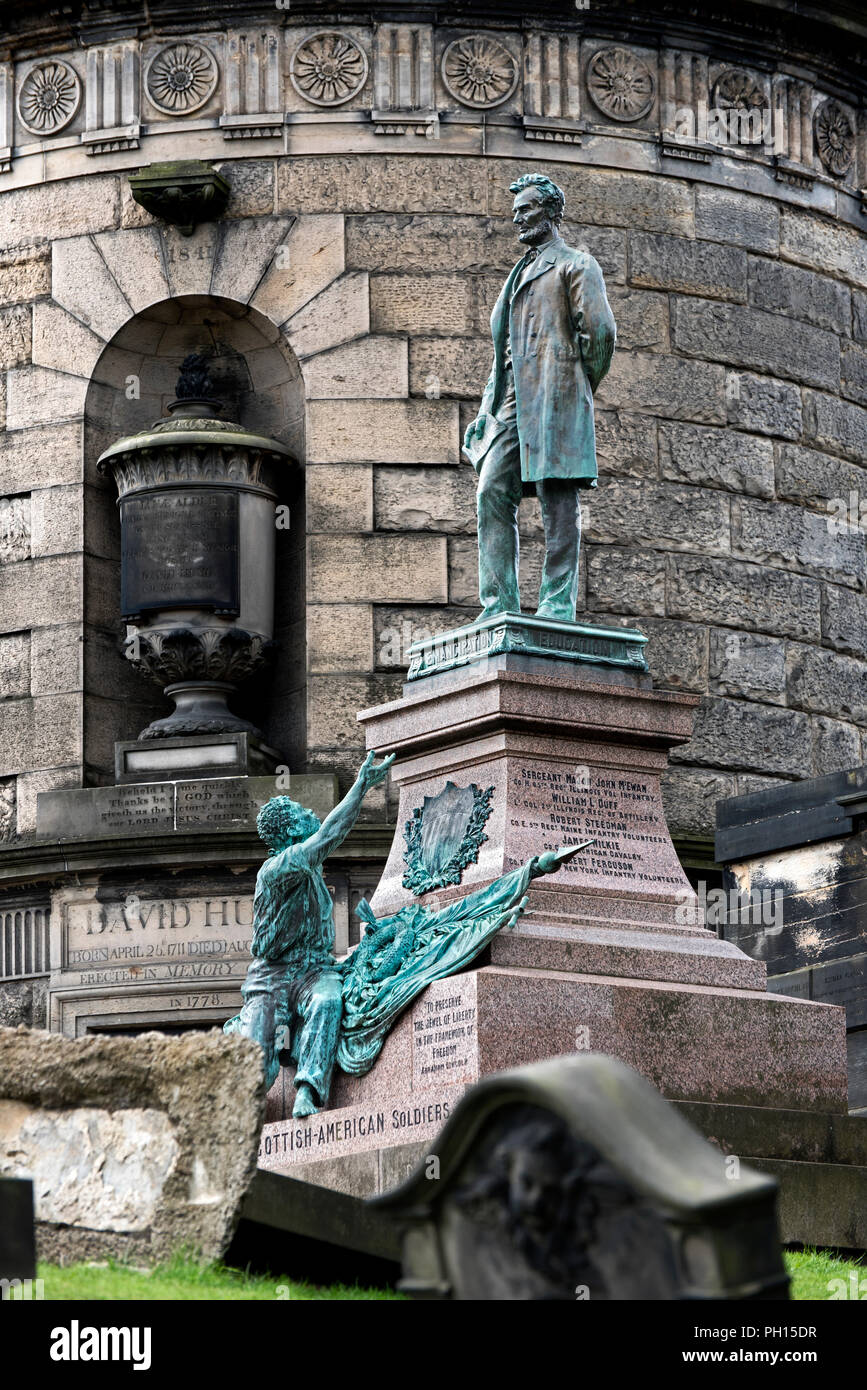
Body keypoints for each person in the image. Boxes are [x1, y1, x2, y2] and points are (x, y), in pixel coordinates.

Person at [463, 172, 616, 622]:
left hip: (557, 397)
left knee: (557, 496)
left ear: (552, 212)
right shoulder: (518, 272)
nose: (519, 219)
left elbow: (601, 335)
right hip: (510, 404)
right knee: (492, 488)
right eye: (516, 212)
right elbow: (503, 350)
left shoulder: (575, 264)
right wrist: (487, 407)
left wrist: (575, 387)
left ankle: (555, 604)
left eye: (527, 209)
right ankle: (497, 605)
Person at [225, 749, 394, 1117]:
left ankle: (308, 1090)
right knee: (258, 1067)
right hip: (272, 979)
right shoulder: (279, 867)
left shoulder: (312, 872)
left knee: (328, 1001)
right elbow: (330, 834)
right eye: (303, 813)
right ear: (289, 831)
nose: (311, 814)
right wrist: (361, 785)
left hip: (314, 971)